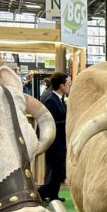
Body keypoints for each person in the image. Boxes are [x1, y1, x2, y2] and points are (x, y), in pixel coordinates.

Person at [38, 72, 70, 203]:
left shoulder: (59, 99)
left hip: (60, 142)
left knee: (58, 173)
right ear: (61, 86)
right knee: (57, 172)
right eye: (68, 84)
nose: (69, 86)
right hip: (54, 142)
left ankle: (53, 196)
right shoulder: (51, 99)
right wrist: (67, 123)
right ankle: (39, 193)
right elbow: (50, 122)